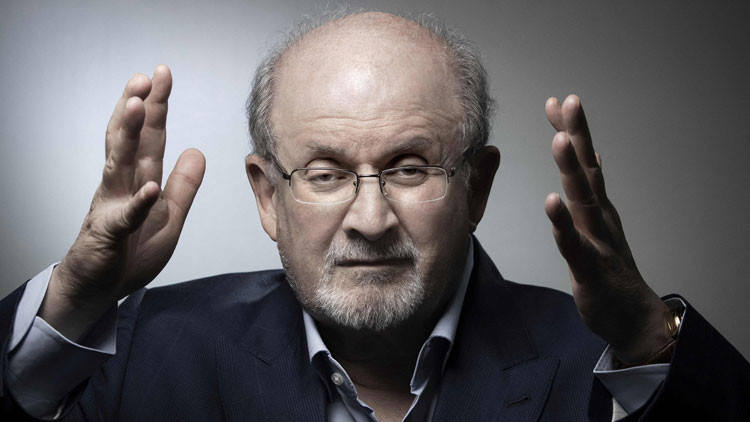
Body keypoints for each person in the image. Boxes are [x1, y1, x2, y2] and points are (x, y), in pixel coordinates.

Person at [1, 10, 747, 421]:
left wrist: (651, 337)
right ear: (268, 197)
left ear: (477, 188)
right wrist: (75, 300)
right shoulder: (145, 349)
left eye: (409, 167)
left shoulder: (611, 364)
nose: (370, 217)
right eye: (325, 173)